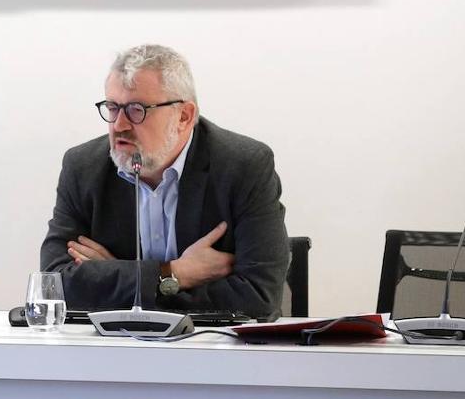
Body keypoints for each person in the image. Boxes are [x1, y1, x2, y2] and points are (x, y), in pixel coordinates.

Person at [40, 44, 289, 317]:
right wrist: (173, 274)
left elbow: (258, 298)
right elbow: (55, 286)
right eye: (112, 107)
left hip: (214, 352)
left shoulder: (244, 166)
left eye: (136, 110)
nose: (118, 125)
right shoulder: (83, 168)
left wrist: (121, 280)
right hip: (114, 350)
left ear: (184, 116)